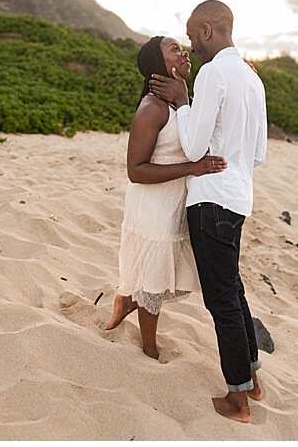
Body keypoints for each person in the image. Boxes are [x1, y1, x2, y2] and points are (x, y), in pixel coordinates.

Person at [149, 0, 268, 423]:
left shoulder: (214, 72)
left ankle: (237, 400)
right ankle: (252, 380)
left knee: (222, 301)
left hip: (211, 198)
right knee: (233, 289)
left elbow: (195, 148)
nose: (189, 47)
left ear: (205, 30)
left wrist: (183, 101)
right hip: (238, 197)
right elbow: (258, 154)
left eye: (190, 35)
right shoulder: (253, 79)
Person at [103, 36, 227, 360]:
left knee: (165, 278)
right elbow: (135, 170)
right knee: (153, 278)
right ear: (161, 65)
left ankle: (128, 300)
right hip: (152, 205)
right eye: (174, 49)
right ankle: (149, 349)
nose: (183, 51)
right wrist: (193, 168)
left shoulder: (182, 103)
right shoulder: (152, 107)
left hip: (176, 202)